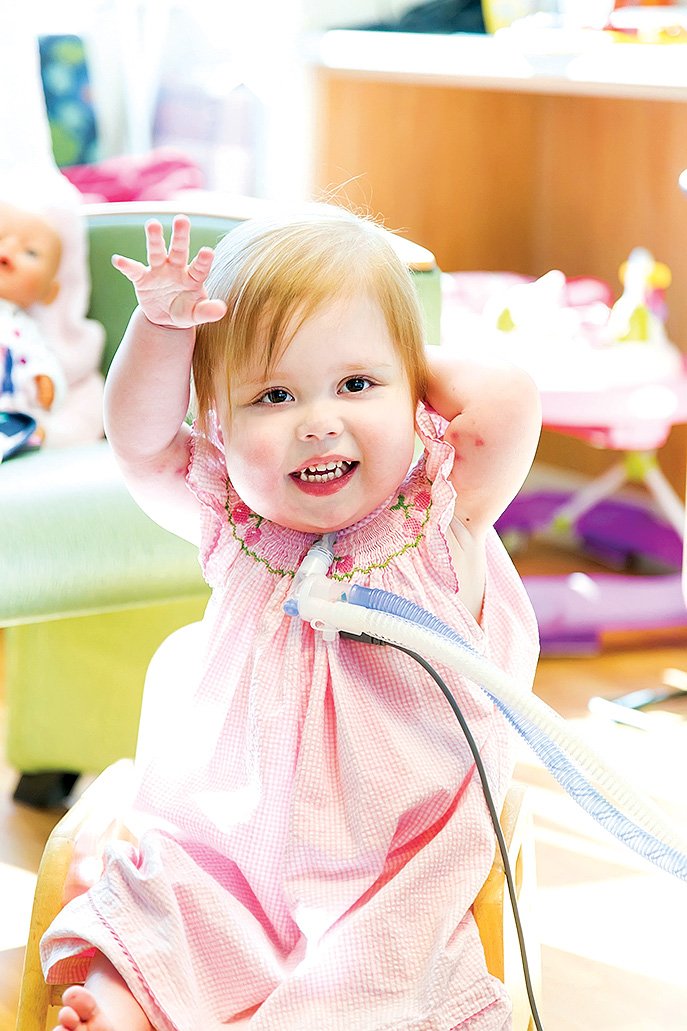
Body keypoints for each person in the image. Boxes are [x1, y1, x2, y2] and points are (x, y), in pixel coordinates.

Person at [42, 205, 541, 1031]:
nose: (318, 418)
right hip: (230, 845)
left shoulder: (439, 509)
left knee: (370, 978)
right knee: (160, 907)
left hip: (388, 860)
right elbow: (136, 442)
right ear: (219, 426)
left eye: (355, 384)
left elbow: (510, 395)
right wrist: (165, 335)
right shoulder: (234, 523)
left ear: (415, 392)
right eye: (274, 393)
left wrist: (395, 353)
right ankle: (125, 1011)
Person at [0, 201, 66, 447]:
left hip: (8, 411)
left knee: (25, 429)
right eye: (0, 237)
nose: (8, 251)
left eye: (31, 252)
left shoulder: (24, 330)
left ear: (49, 291)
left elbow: (40, 359)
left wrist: (45, 381)